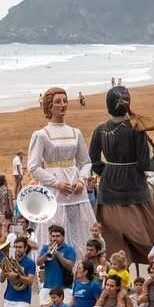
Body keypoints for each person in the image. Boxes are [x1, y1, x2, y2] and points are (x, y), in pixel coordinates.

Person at [88, 85, 154, 264]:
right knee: (147, 230)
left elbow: (92, 158)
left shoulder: (100, 129)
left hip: (108, 187)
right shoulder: (136, 128)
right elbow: (144, 163)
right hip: (134, 186)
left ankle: (118, 267)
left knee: (111, 235)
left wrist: (106, 171)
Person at [28, 87, 95, 254]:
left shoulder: (75, 132)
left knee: (81, 230)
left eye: (64, 101)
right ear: (49, 106)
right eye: (58, 102)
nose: (62, 105)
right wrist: (56, 183)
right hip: (54, 192)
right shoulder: (41, 135)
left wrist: (82, 180)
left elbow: (86, 161)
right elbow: (34, 167)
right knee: (54, 228)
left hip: (76, 191)